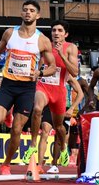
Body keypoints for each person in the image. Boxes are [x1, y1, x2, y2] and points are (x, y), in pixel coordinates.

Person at [0, 0, 56, 176]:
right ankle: (7, 112)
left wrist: (40, 73)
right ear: (21, 13)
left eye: (32, 11)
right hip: (8, 85)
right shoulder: (10, 33)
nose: (28, 13)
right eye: (25, 10)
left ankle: (6, 164)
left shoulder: (42, 40)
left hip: (26, 89)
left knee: (17, 130)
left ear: (37, 15)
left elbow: (52, 67)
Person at [30, 21, 82, 175]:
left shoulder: (71, 48)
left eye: (60, 30)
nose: (56, 33)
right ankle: (38, 164)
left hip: (59, 94)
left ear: (65, 34)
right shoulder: (45, 44)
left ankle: (60, 155)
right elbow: (39, 66)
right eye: (54, 30)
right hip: (44, 88)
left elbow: (74, 72)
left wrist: (61, 54)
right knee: (44, 128)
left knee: (59, 129)